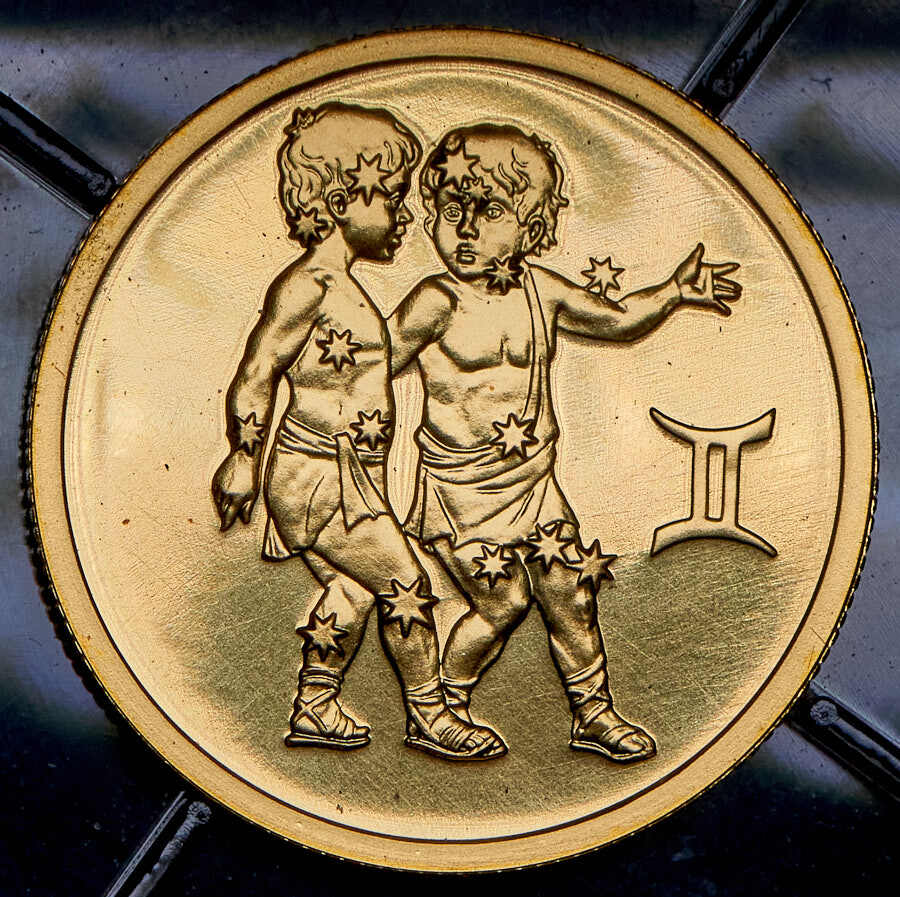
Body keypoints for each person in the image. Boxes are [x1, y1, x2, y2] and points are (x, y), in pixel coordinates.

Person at [389, 123, 741, 761]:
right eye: (450, 211)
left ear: (530, 226)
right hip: (460, 492)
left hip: (533, 483)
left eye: (489, 212)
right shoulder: (434, 301)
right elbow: (370, 366)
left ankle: (593, 713)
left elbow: (615, 319)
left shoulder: (541, 289)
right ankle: (439, 707)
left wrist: (672, 293)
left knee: (571, 592)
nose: (465, 229)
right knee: (503, 603)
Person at [211, 103, 504, 760]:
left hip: (350, 475)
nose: (404, 216)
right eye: (392, 198)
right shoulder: (308, 286)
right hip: (320, 474)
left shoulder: (344, 287)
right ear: (343, 202)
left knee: (351, 588)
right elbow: (258, 369)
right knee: (407, 587)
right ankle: (430, 714)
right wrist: (241, 458)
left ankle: (314, 704)